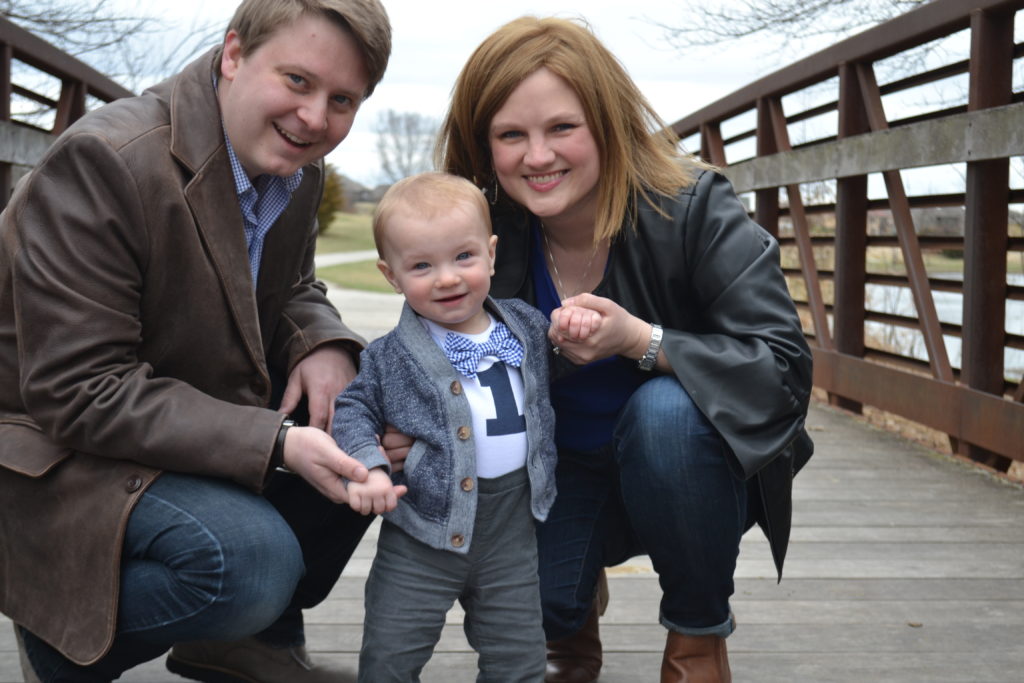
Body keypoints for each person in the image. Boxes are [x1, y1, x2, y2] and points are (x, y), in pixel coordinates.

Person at [0, 1, 392, 681]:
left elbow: (290, 287)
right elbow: (78, 391)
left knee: (388, 412)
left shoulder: (296, 171)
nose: (315, 119)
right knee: (249, 560)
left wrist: (321, 343)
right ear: (234, 55)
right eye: (297, 81)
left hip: (170, 410)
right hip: (49, 442)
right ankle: (59, 631)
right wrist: (277, 443)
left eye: (342, 99)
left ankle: (239, 640)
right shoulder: (106, 162)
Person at [436, 16, 815, 683]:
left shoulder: (694, 208)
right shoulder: (477, 232)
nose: (538, 156)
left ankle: (697, 640)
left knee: (664, 413)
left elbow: (781, 369)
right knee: (524, 605)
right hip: (556, 475)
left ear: (606, 123)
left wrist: (640, 341)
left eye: (561, 128)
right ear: (482, 142)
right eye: (510, 135)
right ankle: (568, 617)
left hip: (688, 472)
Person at [332, 172, 594, 681]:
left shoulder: (527, 325)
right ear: (392, 276)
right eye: (422, 266)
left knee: (518, 657)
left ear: (491, 254)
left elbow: (563, 362)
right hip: (423, 532)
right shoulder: (390, 355)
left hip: (512, 531)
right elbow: (354, 409)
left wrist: (575, 330)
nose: (447, 278)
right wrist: (369, 467)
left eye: (464, 257)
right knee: (391, 652)